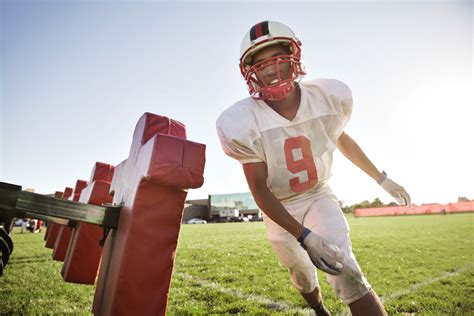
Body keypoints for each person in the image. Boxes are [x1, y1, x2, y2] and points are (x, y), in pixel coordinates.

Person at [216, 21, 411, 316]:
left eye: (278, 58)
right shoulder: (240, 121)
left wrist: (382, 179)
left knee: (342, 264)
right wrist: (303, 235)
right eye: (261, 64)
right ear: (250, 72)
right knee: (303, 276)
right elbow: (258, 188)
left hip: (318, 194)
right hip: (278, 205)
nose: (270, 69)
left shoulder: (327, 96)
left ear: (294, 56)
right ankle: (320, 310)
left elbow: (340, 139)